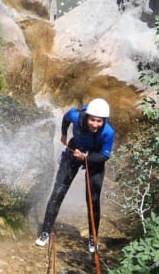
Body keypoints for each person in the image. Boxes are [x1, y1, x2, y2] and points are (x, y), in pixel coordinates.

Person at [35, 98, 115, 252]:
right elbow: (65, 118)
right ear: (87, 117)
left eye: (100, 121)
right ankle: (45, 232)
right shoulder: (76, 116)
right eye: (93, 120)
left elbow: (105, 156)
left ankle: (93, 239)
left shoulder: (108, 132)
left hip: (94, 157)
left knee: (93, 199)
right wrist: (64, 134)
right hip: (74, 149)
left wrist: (86, 158)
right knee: (58, 192)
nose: (95, 125)